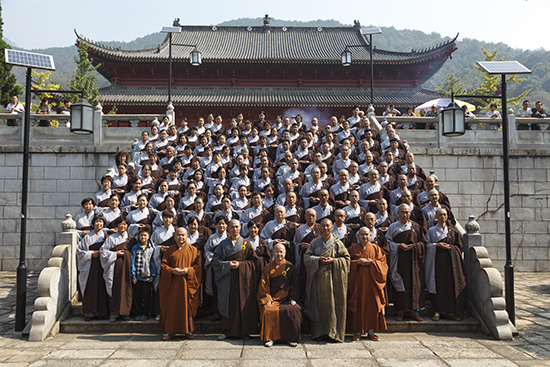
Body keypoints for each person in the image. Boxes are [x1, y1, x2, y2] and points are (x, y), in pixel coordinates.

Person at [304, 218, 350, 343]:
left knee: (333, 306)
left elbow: (346, 259)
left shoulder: (337, 243)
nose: (325, 228)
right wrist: (317, 259)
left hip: (334, 281)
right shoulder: (314, 242)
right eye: (323, 226)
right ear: (319, 228)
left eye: (327, 226)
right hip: (319, 280)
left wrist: (333, 261)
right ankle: (319, 333)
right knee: (320, 305)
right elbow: (307, 257)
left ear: (332, 228)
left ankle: (334, 333)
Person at [213, 219, 261, 340]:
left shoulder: (245, 243)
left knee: (242, 303)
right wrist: (228, 265)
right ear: (228, 228)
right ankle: (227, 331)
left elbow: (255, 262)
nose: (235, 229)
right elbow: (216, 262)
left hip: (243, 280)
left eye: (237, 227)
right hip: (227, 280)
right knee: (228, 304)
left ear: (240, 228)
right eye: (232, 227)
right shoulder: (223, 244)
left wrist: (241, 265)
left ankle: (244, 331)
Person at [385, 204, 427, 322]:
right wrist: (398, 246)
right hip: (399, 259)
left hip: (413, 260)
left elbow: (424, 244)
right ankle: (400, 311)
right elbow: (387, 242)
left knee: (414, 284)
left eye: (407, 212)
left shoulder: (416, 227)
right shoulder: (393, 227)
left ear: (410, 213)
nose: (405, 214)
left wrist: (414, 246)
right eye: (402, 212)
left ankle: (414, 311)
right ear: (398, 213)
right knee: (400, 284)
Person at [159, 227, 202, 340]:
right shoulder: (169, 250)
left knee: (187, 306)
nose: (181, 237)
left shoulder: (193, 250)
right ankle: (169, 330)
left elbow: (198, 267)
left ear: (187, 236)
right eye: (178, 235)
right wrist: (172, 271)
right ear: (174, 236)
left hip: (187, 284)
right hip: (172, 285)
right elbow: (163, 266)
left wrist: (188, 270)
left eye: (183, 235)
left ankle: (187, 330)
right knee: (171, 306)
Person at [425, 208, 467, 322]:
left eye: (444, 214)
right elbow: (427, 245)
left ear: (447, 216)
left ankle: (450, 312)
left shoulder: (452, 231)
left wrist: (452, 248)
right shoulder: (431, 231)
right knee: (438, 286)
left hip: (451, 263)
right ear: (436, 217)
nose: (442, 217)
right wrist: (437, 245)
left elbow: (460, 247)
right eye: (440, 215)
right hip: (437, 262)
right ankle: (437, 311)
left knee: (450, 286)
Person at [347, 227, 388, 341]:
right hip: (357, 283)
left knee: (373, 304)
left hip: (372, 283)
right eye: (362, 235)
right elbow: (346, 262)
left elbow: (383, 264)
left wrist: (372, 262)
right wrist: (356, 263)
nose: (365, 237)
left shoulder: (376, 249)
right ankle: (357, 331)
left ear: (371, 236)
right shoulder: (352, 248)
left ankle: (371, 331)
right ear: (358, 236)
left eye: (367, 234)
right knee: (357, 304)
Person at [257, 243, 302, 347]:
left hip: (287, 299)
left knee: (293, 310)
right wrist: (267, 299)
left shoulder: (291, 267)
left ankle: (290, 338)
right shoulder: (268, 267)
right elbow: (263, 285)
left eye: (281, 251)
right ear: (273, 252)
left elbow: (295, 285)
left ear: (285, 253)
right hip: (272, 299)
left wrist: (293, 298)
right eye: (277, 251)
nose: (279, 254)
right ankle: (271, 338)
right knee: (268, 310)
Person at [100, 217, 135, 322]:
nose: (122, 226)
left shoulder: (131, 238)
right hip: (115, 266)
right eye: (120, 224)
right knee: (115, 287)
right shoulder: (111, 238)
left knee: (127, 288)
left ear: (127, 226)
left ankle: (126, 312)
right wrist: (115, 254)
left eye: (124, 224)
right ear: (116, 226)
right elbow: (103, 251)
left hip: (128, 266)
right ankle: (114, 312)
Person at [76, 215, 109, 320]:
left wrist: (101, 253)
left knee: (102, 288)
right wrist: (91, 254)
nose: (99, 224)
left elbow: (109, 250)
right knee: (90, 288)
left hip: (102, 265)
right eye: (97, 221)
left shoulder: (106, 237)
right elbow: (79, 252)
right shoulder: (88, 237)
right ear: (93, 223)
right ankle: (89, 312)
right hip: (90, 265)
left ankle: (101, 312)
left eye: (101, 222)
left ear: (103, 224)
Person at [131, 228, 157, 321]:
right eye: (141, 235)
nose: (143, 237)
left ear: (149, 236)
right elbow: (132, 262)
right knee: (137, 296)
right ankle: (138, 312)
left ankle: (146, 313)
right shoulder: (135, 248)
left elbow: (153, 262)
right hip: (137, 277)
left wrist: (153, 275)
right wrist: (133, 275)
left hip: (147, 277)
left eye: (145, 235)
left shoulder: (151, 248)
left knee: (146, 297)